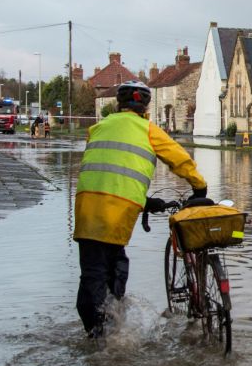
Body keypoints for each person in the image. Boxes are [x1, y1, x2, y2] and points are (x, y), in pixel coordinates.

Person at [74, 80, 207, 338]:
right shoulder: (148, 130)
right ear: (145, 107)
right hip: (117, 212)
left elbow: (108, 172)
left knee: (93, 271)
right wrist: (199, 187)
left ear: (118, 105)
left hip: (86, 208)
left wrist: (145, 201)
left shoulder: (97, 128)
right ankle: (109, 331)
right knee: (113, 268)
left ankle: (97, 331)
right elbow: (179, 158)